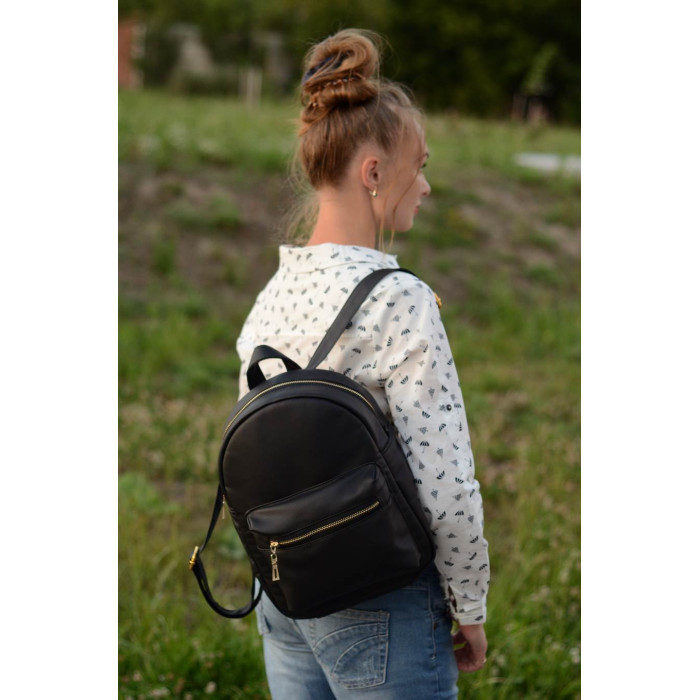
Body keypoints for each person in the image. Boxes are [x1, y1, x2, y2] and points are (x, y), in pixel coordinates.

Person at [234, 28, 490, 699]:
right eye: (419, 166)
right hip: (382, 598)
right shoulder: (400, 298)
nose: (425, 186)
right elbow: (445, 479)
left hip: (285, 593)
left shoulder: (274, 291)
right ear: (373, 173)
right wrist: (469, 603)